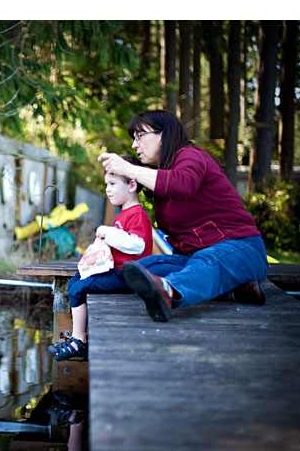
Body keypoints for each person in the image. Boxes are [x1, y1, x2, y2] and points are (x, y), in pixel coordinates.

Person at [99, 109, 268, 322]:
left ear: (163, 135)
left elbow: (182, 184)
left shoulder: (190, 155)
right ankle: (234, 290)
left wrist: (131, 170)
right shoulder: (162, 177)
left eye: (140, 136)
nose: (134, 145)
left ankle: (169, 292)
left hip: (241, 249)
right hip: (194, 257)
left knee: (207, 262)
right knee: (145, 268)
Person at [48, 158, 153, 361]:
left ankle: (79, 340)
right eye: (106, 184)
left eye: (113, 184)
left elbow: (137, 244)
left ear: (132, 185)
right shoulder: (122, 214)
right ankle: (80, 337)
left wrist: (109, 233)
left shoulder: (137, 214)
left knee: (78, 288)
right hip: (117, 270)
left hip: (128, 275)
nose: (107, 189)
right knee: (75, 281)